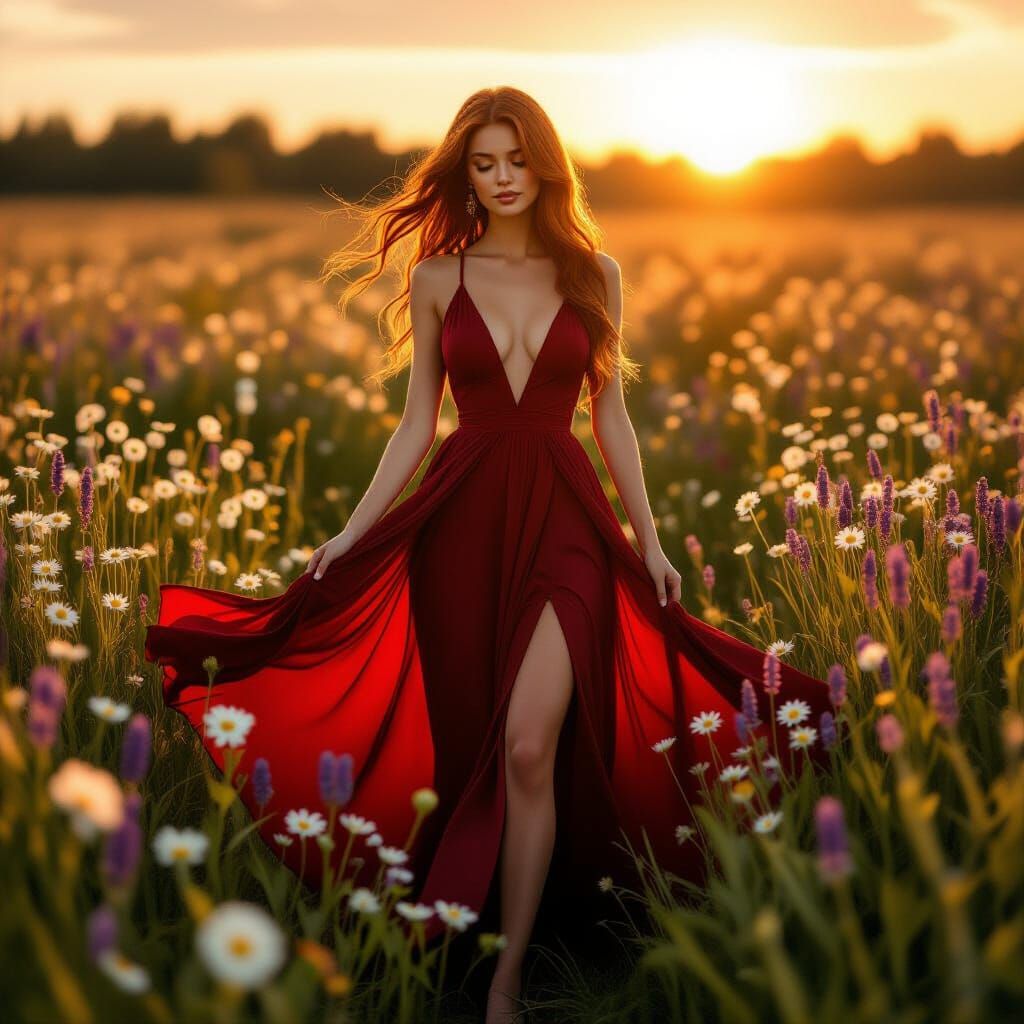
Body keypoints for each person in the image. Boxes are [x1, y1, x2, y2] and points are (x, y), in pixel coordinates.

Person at [146, 86, 831, 1024]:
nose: (503, 178)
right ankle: (479, 932)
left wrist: (652, 538)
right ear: (463, 174)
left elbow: (611, 415)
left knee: (528, 741)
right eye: (483, 163)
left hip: (568, 519)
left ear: (545, 165)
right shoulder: (438, 278)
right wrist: (348, 535)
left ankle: (506, 986)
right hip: (459, 524)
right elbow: (416, 423)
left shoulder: (596, 270)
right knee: (476, 741)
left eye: (516, 160)